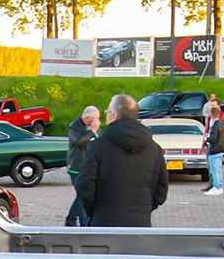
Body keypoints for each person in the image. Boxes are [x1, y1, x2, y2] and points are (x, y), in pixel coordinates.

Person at [74, 94, 168, 228]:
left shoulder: (98, 146)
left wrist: (94, 210)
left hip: (104, 224)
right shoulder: (154, 149)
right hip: (140, 225)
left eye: (107, 112)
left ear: (114, 116)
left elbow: (84, 184)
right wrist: (143, 209)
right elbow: (161, 190)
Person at [64, 105, 99, 226]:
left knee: (81, 195)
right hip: (76, 168)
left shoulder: (89, 128)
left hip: (87, 167)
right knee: (82, 195)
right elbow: (79, 142)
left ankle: (70, 219)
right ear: (89, 118)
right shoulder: (75, 127)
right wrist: (92, 131)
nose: (97, 121)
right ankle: (84, 223)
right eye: (96, 118)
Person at [204, 101, 224, 196]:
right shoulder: (222, 125)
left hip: (214, 149)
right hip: (221, 148)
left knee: (214, 169)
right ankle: (220, 186)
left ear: (212, 116)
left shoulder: (214, 126)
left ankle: (216, 187)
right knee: (218, 169)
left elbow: (213, 138)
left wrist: (207, 139)